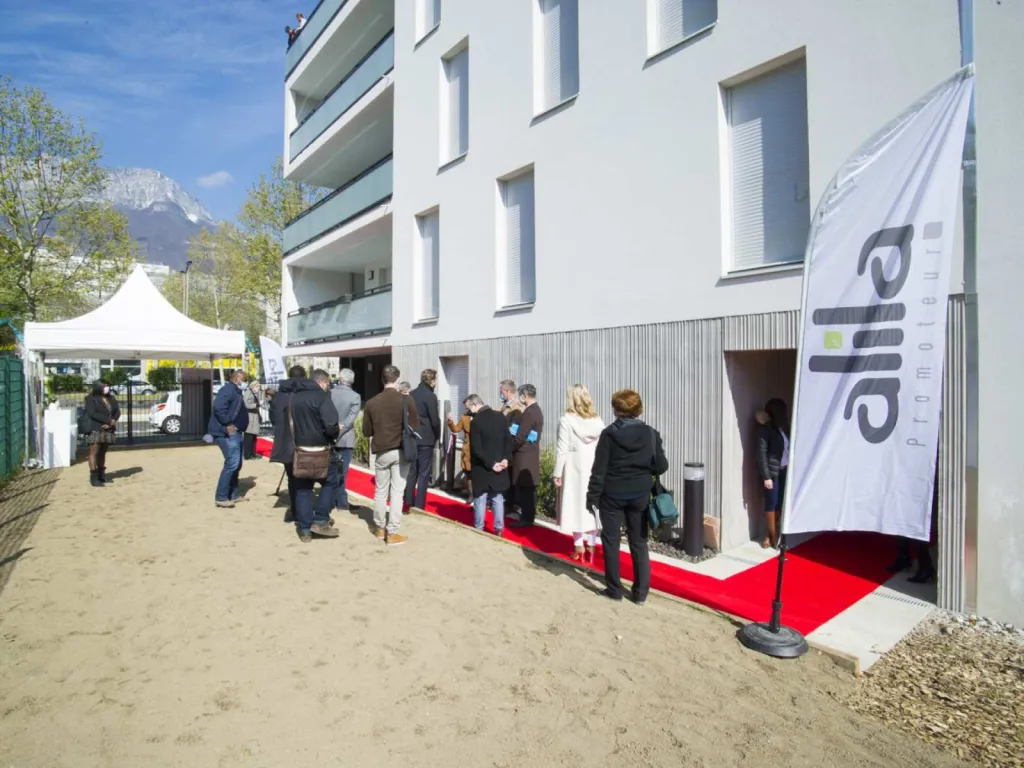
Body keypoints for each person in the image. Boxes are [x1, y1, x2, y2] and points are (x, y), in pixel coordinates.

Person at [587, 389, 669, 605]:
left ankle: (614, 589)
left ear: (616, 410)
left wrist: (592, 496)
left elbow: (599, 470)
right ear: (638, 408)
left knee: (611, 541)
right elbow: (661, 466)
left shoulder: (609, 434)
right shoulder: (651, 434)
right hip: (640, 494)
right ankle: (640, 592)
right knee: (639, 543)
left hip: (612, 493)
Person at [362, 365, 419, 545]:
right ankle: (392, 531)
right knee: (397, 492)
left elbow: (366, 431)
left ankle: (379, 527)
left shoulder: (371, 402)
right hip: (401, 449)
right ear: (397, 379)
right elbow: (415, 426)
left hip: (380, 450)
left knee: (380, 491)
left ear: (382, 379)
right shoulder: (406, 400)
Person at [283, 369, 341, 543]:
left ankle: (305, 528)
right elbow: (331, 425)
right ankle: (321, 519)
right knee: (330, 482)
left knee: (303, 488)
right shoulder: (322, 397)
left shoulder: (293, 398)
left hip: (299, 449)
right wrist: (336, 430)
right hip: (321, 449)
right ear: (322, 382)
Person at [554, 384, 605, 562]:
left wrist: (557, 472)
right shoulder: (598, 420)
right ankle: (591, 543)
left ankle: (578, 545)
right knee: (590, 507)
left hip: (574, 468)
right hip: (593, 467)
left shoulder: (566, 419)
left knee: (574, 505)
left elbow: (562, 449)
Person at [466, 395, 511, 537]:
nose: (469, 411)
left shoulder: (476, 422)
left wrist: (491, 464)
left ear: (475, 405)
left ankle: (479, 528)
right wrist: (505, 459)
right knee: (498, 497)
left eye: (469, 408)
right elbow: (508, 440)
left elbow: (477, 449)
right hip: (500, 464)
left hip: (482, 466)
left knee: (480, 497)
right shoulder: (501, 417)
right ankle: (499, 529)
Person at [269, 365, 308, 522]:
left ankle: (295, 508)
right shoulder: (306, 395)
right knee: (304, 480)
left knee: (292, 479)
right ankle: (301, 511)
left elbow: (273, 419)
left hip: (285, 443)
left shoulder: (278, 397)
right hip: (304, 441)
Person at [208, 369, 250, 508]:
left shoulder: (235, 391)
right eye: (244, 379)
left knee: (236, 465)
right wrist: (228, 423)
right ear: (237, 378)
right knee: (232, 463)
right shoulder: (227, 390)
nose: (245, 382)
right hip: (227, 433)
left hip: (236, 432)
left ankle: (234, 494)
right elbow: (219, 408)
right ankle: (221, 496)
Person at [508, 383, 544, 528]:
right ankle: (528, 517)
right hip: (530, 454)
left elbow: (521, 436)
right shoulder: (536, 410)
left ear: (525, 396)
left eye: (520, 395)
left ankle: (526, 519)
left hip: (524, 456)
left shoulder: (529, 413)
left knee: (525, 490)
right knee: (528, 490)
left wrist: (509, 447)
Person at [756, 398, 789, 549]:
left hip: (783, 471)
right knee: (771, 503)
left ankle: (768, 534)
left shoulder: (784, 429)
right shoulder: (766, 430)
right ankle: (775, 538)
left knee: (779, 503)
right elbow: (761, 453)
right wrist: (766, 476)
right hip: (772, 473)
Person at [405, 369, 440, 510]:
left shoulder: (411, 394)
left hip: (412, 436)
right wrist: (437, 435)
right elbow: (435, 420)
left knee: (411, 471)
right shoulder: (430, 396)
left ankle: (408, 502)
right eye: (435, 380)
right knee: (424, 474)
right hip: (426, 438)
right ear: (431, 381)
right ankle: (419, 505)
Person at [329, 368, 361, 512]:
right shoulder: (355, 396)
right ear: (352, 381)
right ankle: (341, 501)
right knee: (343, 471)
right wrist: (341, 429)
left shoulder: (329, 393)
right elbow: (351, 418)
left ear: (340, 379)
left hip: (330, 435)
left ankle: (335, 498)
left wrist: (334, 429)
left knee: (330, 470)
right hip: (346, 437)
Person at [82, 379, 120, 487]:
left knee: (103, 451)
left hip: (108, 428)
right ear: (98, 386)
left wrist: (112, 421)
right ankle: (93, 477)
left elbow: (117, 411)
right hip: (95, 428)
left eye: (108, 385)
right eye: (105, 386)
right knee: (94, 451)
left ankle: (101, 474)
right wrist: (107, 421)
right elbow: (92, 413)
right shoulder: (90, 398)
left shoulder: (111, 398)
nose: (107, 388)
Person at [499, 379, 524, 513]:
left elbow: (514, 429)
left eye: (501, 390)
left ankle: (513, 504)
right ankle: (507, 502)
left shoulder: (517, 408)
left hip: (512, 447)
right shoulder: (504, 405)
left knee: (512, 476)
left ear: (507, 391)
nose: (500, 393)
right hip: (503, 445)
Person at [447, 403, 474, 496]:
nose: (467, 408)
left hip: (480, 448)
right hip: (468, 449)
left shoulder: (482, 416)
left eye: (467, 406)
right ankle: (471, 494)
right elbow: (456, 429)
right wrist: (450, 422)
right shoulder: (465, 418)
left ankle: (479, 494)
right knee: (468, 472)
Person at [242, 378, 263, 460]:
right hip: (250, 417)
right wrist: (256, 405)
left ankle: (253, 453)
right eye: (257, 386)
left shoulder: (253, 393)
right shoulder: (248, 392)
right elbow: (246, 404)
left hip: (254, 416)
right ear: (253, 386)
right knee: (249, 437)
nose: (258, 388)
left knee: (253, 437)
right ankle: (247, 454)